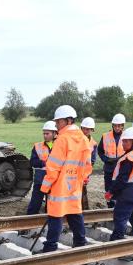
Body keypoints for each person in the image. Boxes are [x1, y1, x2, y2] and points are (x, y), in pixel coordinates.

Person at [40, 105, 92, 251]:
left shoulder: (62, 140)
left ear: (68, 120)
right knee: (75, 214)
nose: (56, 124)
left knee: (55, 216)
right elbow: (87, 166)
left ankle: (50, 248)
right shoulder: (83, 138)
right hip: (75, 185)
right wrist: (79, 180)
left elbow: (53, 168)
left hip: (59, 186)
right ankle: (80, 244)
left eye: (58, 121)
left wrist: (45, 187)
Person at [106, 127, 133, 240]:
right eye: (123, 141)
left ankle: (117, 238)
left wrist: (111, 191)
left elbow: (122, 180)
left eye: (126, 141)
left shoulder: (129, 158)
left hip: (128, 193)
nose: (123, 144)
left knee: (120, 216)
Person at [26, 120, 58, 214]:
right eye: (44, 133)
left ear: (54, 133)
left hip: (54, 179)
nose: (44, 135)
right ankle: (29, 221)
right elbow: (32, 162)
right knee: (35, 202)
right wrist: (45, 163)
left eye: (47, 133)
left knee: (51, 204)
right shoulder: (37, 146)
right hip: (40, 179)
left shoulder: (60, 145)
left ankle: (49, 220)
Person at [98, 113, 126, 208]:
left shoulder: (127, 136)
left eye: (119, 126)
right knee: (109, 189)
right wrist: (105, 159)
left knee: (121, 189)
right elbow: (100, 150)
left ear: (123, 126)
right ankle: (110, 208)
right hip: (109, 168)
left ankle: (119, 207)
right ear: (112, 125)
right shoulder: (105, 136)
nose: (117, 128)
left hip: (122, 168)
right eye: (115, 126)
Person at [79, 117, 97, 210]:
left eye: (88, 129)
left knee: (83, 190)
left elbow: (92, 161)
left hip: (85, 171)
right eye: (84, 128)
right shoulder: (76, 139)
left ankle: (83, 210)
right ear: (81, 128)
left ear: (91, 130)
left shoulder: (93, 143)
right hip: (74, 170)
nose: (86, 131)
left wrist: (86, 175)